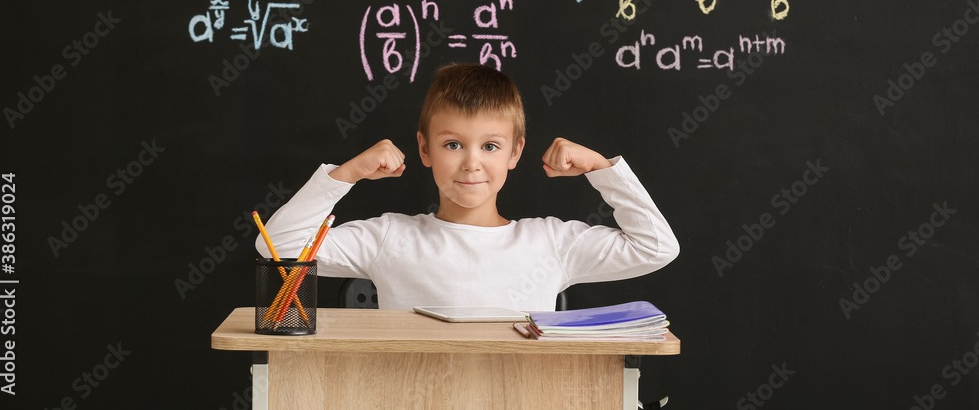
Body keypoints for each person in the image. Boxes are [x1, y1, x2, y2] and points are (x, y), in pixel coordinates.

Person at [256, 63, 679, 311]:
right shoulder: (390, 237)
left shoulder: (549, 241)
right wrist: (345, 173)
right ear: (425, 149)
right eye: (453, 144)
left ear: (514, 154)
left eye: (491, 146)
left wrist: (601, 169)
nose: (472, 162)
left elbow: (655, 248)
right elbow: (277, 245)